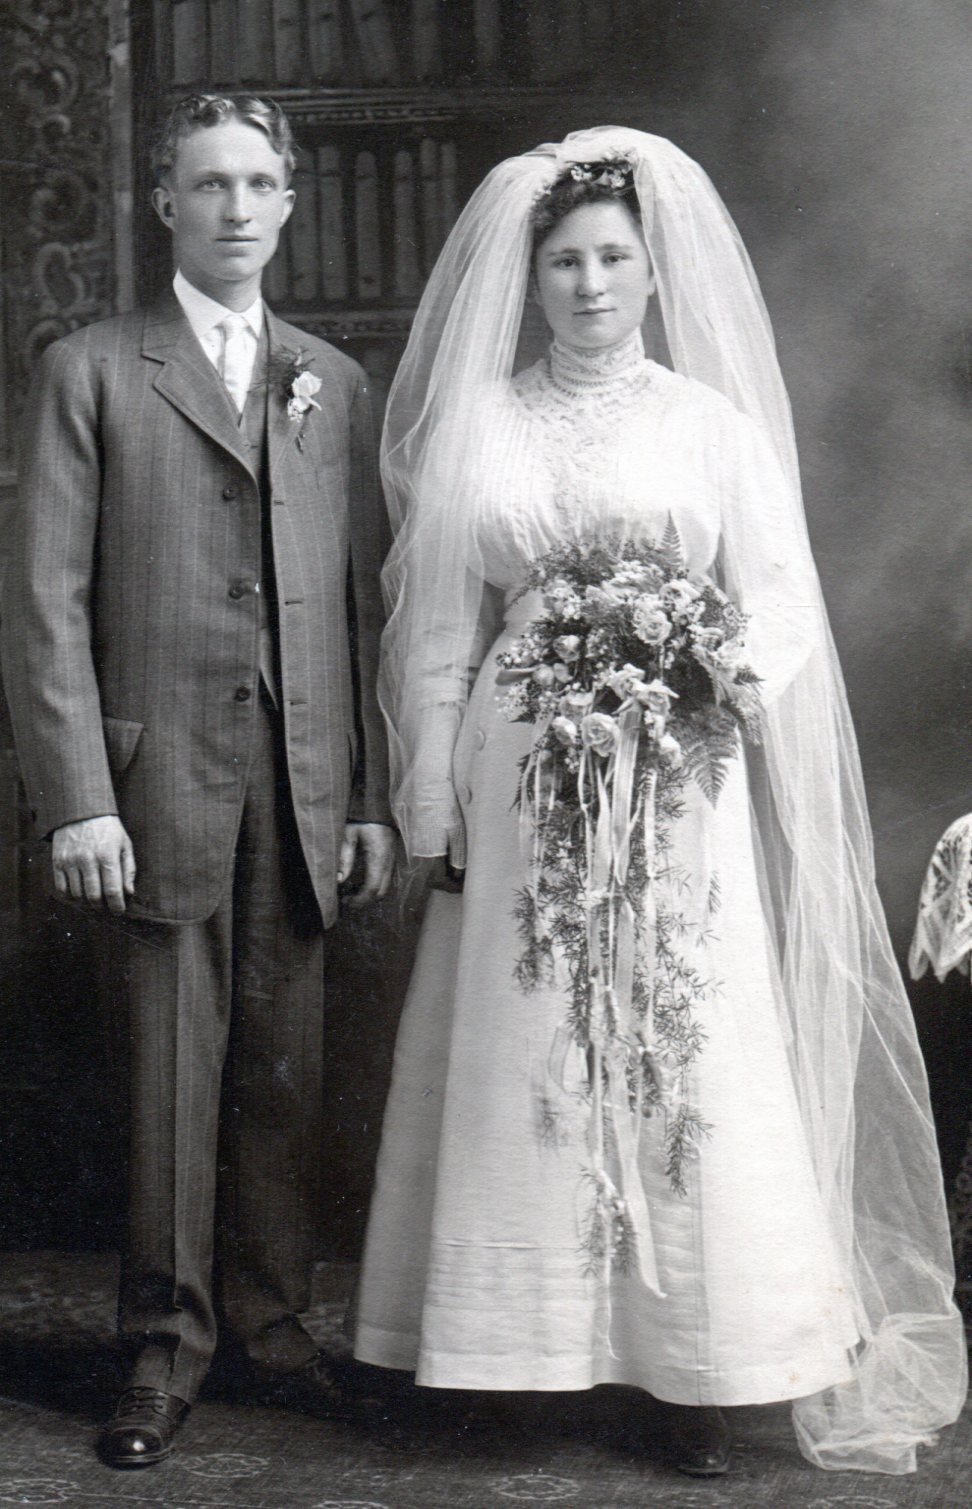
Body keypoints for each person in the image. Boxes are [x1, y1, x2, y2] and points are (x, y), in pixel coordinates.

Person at [352, 128, 967, 1477]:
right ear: (530, 277)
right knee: (530, 1036)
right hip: (520, 776)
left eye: (612, 258)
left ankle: (701, 1372)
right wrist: (432, 801)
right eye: (564, 261)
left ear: (650, 269)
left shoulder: (708, 425)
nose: (587, 284)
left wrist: (720, 671)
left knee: (679, 1032)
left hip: (679, 770)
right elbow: (442, 632)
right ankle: (515, 1359)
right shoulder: (482, 423)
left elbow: (783, 595)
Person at [0, 93, 395, 1468]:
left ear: (289, 203)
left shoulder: (331, 384)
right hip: (151, 782)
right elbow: (42, 598)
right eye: (207, 184)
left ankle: (277, 1330)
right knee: (171, 1074)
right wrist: (75, 796)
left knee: (285, 1072)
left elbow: (356, 607)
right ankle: (162, 1348)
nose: (237, 207)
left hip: (299, 784)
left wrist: (368, 796)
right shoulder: (94, 368)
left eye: (259, 183)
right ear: (163, 203)